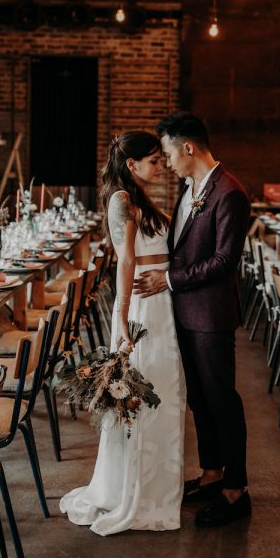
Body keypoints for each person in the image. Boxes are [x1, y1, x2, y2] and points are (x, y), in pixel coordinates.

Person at [59, 132, 185, 535]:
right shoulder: (120, 201)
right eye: (153, 161)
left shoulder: (140, 199)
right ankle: (139, 494)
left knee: (166, 394)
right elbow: (126, 261)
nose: (160, 166)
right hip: (145, 306)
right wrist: (122, 320)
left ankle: (160, 489)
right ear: (131, 165)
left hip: (163, 303)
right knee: (148, 396)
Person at [134, 112, 251, 528]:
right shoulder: (190, 189)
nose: (165, 163)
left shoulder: (229, 192)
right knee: (199, 399)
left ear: (188, 147)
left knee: (221, 399)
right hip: (184, 311)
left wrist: (166, 279)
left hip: (211, 314)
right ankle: (212, 472)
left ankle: (236, 490)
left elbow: (223, 261)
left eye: (167, 153)